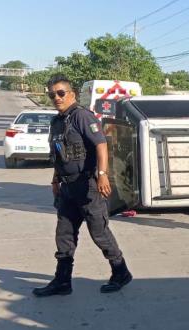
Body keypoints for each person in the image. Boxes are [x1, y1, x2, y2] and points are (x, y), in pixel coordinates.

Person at [33, 74, 132, 297]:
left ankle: (120, 271)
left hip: (87, 185)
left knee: (99, 232)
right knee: (64, 235)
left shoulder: (82, 117)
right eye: (52, 95)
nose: (56, 98)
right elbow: (59, 155)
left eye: (61, 93)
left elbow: (101, 144)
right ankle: (62, 281)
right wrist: (55, 179)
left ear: (72, 94)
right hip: (67, 187)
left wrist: (103, 174)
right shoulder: (57, 122)